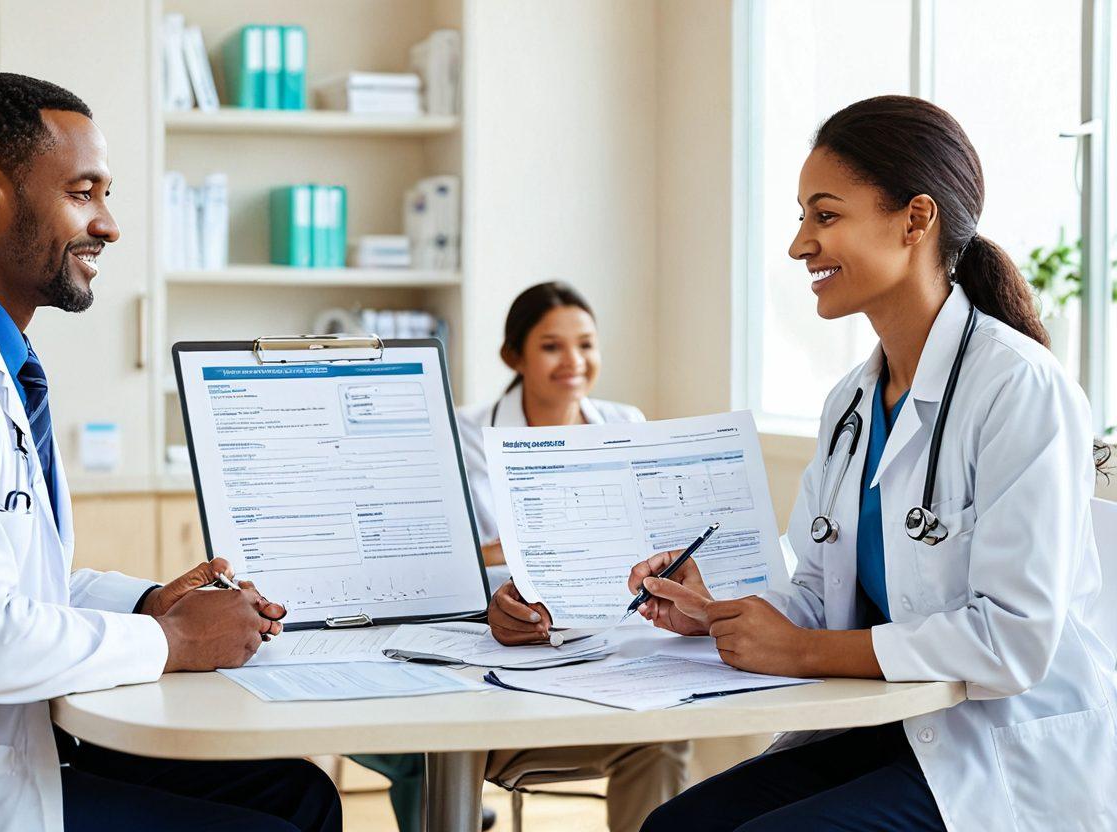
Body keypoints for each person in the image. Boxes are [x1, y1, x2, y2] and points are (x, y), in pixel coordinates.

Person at [633, 95, 1117, 831]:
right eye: (802, 218)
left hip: (1002, 753)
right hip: (893, 732)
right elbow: (821, 595)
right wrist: (719, 614)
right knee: (675, 826)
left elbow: (1012, 641)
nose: (799, 246)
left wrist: (799, 649)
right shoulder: (853, 403)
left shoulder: (1021, 390)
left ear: (915, 220)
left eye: (824, 217)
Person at [0, 73, 340, 832]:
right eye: (83, 192)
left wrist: (142, 603)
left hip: (15, 745)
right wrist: (171, 640)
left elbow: (9, 585)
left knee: (299, 794)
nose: (108, 225)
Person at [354, 281, 687, 832]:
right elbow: (443, 553)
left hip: (605, 626)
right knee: (430, 744)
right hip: (492, 632)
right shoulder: (463, 433)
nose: (574, 362)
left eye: (586, 344)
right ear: (515, 355)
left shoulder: (624, 423)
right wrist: (531, 545)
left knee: (662, 739)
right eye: (552, 346)